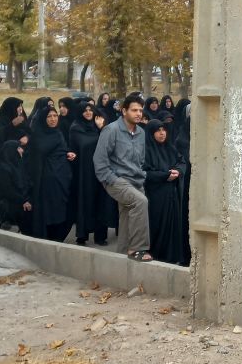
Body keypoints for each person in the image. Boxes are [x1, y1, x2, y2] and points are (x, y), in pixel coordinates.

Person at [93, 94, 151, 261]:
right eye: (134, 110)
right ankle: (138, 249)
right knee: (140, 202)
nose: (139, 113)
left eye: (140, 110)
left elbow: (140, 159)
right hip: (116, 179)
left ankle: (123, 253)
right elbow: (99, 159)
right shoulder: (111, 130)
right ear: (124, 111)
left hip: (136, 179)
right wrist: (110, 179)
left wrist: (142, 174)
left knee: (127, 215)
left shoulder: (141, 132)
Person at [24, 104, 75, 242]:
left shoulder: (58, 133)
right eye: (49, 116)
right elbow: (34, 158)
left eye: (55, 116)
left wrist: (68, 153)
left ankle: (57, 237)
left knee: (62, 211)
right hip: (45, 182)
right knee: (48, 211)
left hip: (62, 180)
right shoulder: (37, 136)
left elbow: (61, 150)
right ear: (43, 119)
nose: (53, 119)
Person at [143, 120, 187, 265]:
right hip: (156, 195)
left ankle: (173, 256)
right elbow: (145, 173)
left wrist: (178, 171)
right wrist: (165, 175)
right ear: (151, 133)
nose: (162, 133)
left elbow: (182, 161)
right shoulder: (146, 150)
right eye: (158, 130)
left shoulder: (170, 148)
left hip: (173, 193)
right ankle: (157, 255)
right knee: (158, 225)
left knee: (173, 225)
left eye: (163, 130)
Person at [69, 101, 109, 246]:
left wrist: (101, 128)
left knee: (100, 201)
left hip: (99, 170)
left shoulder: (98, 126)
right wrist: (100, 133)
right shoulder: (76, 128)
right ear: (80, 112)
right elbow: (83, 144)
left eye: (90, 110)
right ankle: (82, 235)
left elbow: (108, 143)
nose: (88, 113)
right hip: (83, 172)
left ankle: (100, 236)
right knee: (84, 201)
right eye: (85, 110)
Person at [0, 139, 32, 233]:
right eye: (19, 148)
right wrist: (24, 201)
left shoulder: (18, 165)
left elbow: (25, 184)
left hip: (16, 198)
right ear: (12, 151)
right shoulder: (3, 170)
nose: (22, 150)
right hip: (5, 202)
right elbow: (8, 192)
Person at [0, 96, 27, 172]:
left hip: (21, 161)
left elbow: (30, 132)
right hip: (5, 163)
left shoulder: (21, 119)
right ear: (10, 108)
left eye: (21, 106)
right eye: (18, 106)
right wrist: (12, 125)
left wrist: (27, 137)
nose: (20, 108)